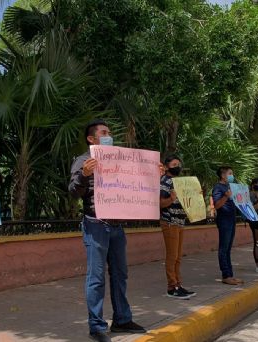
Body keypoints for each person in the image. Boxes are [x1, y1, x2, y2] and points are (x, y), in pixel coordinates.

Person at [68, 119, 147, 342]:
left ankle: (122, 320)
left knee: (120, 274)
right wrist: (84, 174)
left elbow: (136, 184)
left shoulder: (119, 161)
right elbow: (73, 192)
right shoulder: (83, 161)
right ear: (91, 139)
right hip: (96, 226)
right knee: (96, 277)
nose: (109, 135)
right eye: (104, 132)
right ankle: (96, 327)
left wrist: (153, 173)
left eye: (109, 132)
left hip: (117, 227)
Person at [159, 155, 196, 299]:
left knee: (178, 257)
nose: (178, 166)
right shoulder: (164, 181)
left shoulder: (180, 182)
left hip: (179, 222)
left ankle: (178, 284)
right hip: (170, 222)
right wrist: (171, 199)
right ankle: (171, 287)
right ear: (167, 166)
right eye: (174, 164)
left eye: (179, 164)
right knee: (172, 256)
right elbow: (160, 203)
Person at [212, 166, 243, 285]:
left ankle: (230, 275)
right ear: (223, 175)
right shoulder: (218, 188)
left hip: (231, 220)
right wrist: (226, 196)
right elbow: (217, 205)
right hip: (224, 220)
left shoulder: (229, 187)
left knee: (228, 249)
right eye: (230, 173)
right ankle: (226, 275)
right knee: (223, 248)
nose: (232, 176)